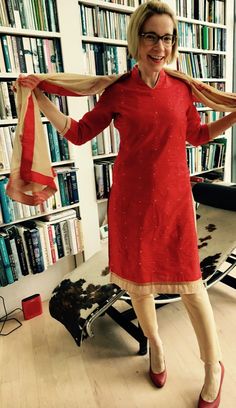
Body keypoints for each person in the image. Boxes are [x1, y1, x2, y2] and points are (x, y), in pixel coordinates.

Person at [18, 1, 236, 406]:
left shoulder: (182, 88)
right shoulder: (118, 90)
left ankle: (212, 365)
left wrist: (233, 116)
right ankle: (155, 344)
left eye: (167, 37)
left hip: (173, 205)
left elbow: (200, 136)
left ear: (174, 44)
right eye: (151, 35)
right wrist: (42, 103)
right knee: (139, 287)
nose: (159, 45)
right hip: (131, 205)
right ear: (136, 39)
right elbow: (81, 133)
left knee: (191, 287)